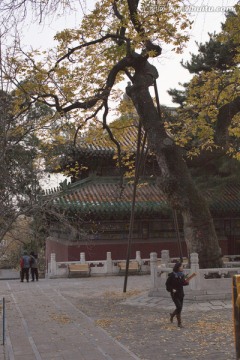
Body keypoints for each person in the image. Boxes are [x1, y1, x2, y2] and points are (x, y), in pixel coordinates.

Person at [165, 262, 189, 328]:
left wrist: (187, 282)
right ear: (178, 267)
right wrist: (172, 289)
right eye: (181, 266)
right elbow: (167, 284)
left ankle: (172, 315)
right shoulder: (172, 275)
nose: (182, 267)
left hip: (181, 293)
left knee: (180, 308)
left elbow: (182, 283)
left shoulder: (182, 275)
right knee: (179, 307)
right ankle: (179, 323)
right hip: (174, 294)